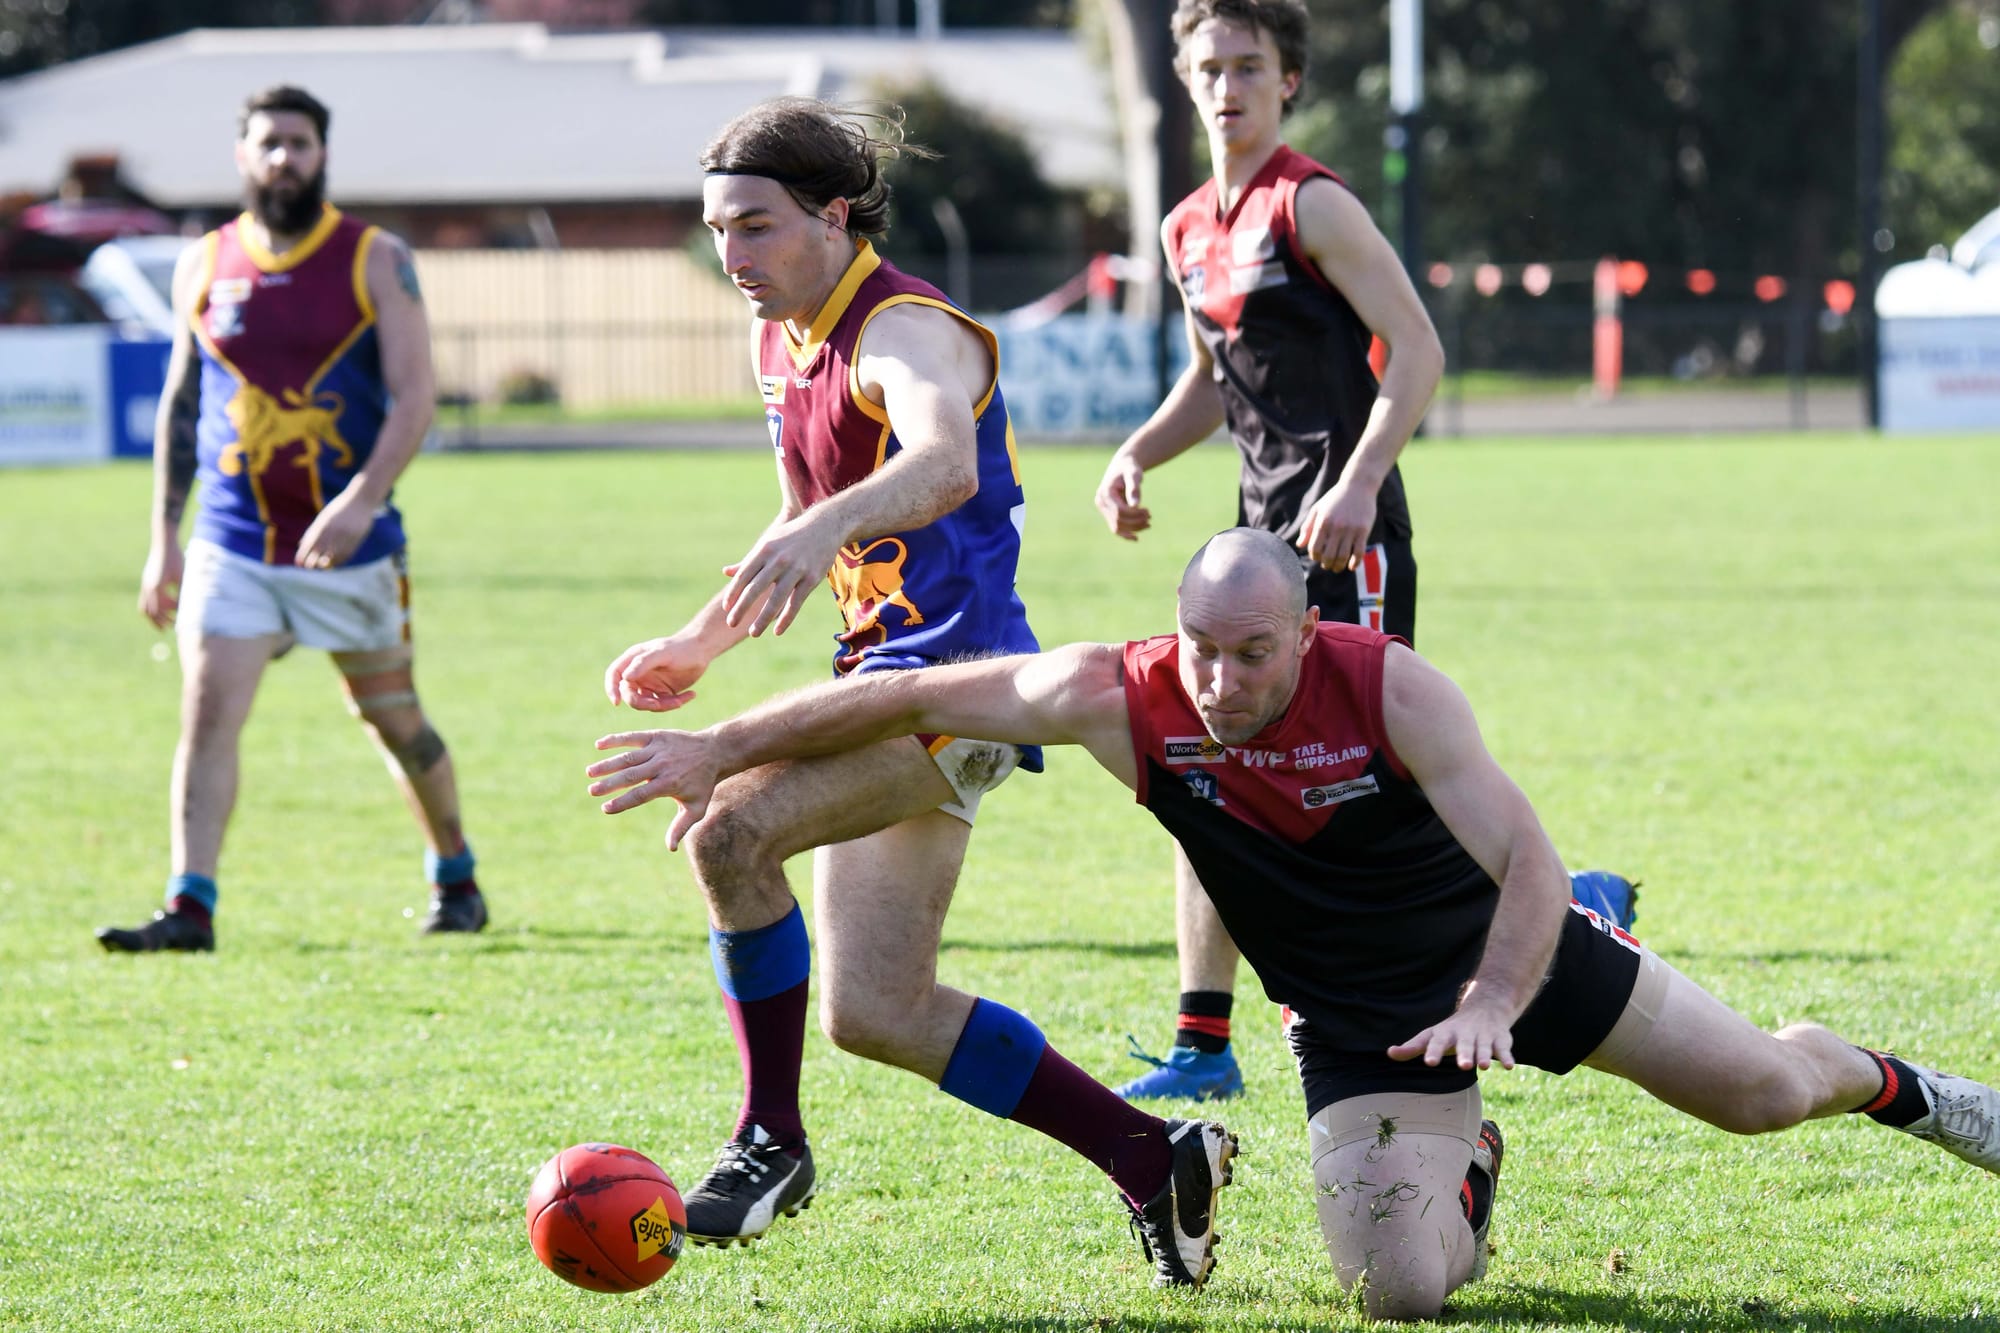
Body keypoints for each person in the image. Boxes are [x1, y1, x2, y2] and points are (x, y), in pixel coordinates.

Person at [589, 526, 2000, 1321]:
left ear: (1304, 635)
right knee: (1400, 1293)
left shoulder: (1391, 688)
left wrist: (1500, 1004)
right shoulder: (1115, 695)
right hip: (1359, 1025)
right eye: (1202, 647)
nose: (1221, 679)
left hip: (1513, 960)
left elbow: (1529, 859)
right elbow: (910, 697)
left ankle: (1907, 1087)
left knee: (1762, 1094)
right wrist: (722, 742)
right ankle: (1467, 1161)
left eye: (1253, 652)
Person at [598, 97, 1237, 1286]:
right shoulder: (779, 335)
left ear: (834, 217)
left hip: (959, 683)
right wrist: (701, 635)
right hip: (881, 679)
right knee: (875, 1009)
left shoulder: (906, 330)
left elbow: (939, 464)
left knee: (730, 829)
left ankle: (767, 1141)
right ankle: (1151, 1154)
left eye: (754, 226)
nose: (731, 257)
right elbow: (807, 513)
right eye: (716, 230)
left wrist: (827, 523)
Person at [1092, 0, 1632, 1100]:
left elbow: (1417, 350)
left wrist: (1357, 481)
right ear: (1186, 81)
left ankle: (1570, 911)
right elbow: (1212, 377)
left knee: (1378, 790)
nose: (1227, 86)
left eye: (1249, 66)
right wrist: (1135, 452)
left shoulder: (1312, 203)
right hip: (1256, 551)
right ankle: (1202, 1040)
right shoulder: (1186, 223)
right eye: (1209, 68)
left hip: (1349, 539)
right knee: (1211, 771)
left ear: (1288, 81)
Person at [98, 85, 485, 953]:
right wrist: (164, 537)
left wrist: (362, 501)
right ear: (242, 155)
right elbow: (181, 399)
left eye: (300, 143)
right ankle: (189, 906)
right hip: (232, 542)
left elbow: (415, 397)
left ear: (323, 155)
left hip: (348, 551)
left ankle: (455, 871)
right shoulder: (205, 260)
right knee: (206, 713)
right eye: (269, 143)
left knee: (395, 720)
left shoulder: (374, 258)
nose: (284, 158)